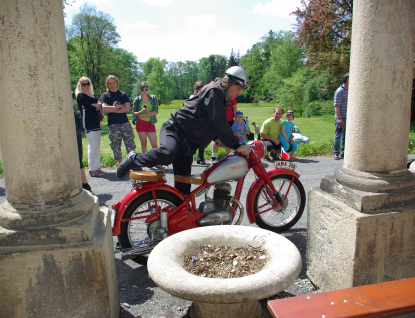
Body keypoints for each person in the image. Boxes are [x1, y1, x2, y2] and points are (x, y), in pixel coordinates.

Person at [116, 66, 251, 195]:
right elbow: (218, 122)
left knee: (183, 189)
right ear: (229, 82)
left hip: (188, 144)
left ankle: (182, 217)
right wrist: (237, 145)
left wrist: (217, 138)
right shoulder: (215, 91)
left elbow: (207, 121)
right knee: (168, 154)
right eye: (238, 88)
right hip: (175, 129)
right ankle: (133, 158)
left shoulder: (220, 95)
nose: (239, 93)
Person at [101, 75, 136, 163]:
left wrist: (112, 109)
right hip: (113, 124)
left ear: (117, 83)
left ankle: (132, 163)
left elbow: (128, 108)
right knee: (116, 145)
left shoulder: (123, 94)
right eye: (110, 83)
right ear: (107, 84)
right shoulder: (105, 95)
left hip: (124, 123)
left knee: (130, 144)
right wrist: (119, 107)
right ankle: (121, 165)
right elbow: (105, 109)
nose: (112, 85)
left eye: (113, 83)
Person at [75, 76, 103, 177]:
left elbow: (100, 104)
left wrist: (96, 105)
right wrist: (96, 106)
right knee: (92, 145)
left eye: (87, 84)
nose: (86, 86)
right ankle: (92, 169)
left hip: (96, 122)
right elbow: (89, 108)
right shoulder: (80, 95)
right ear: (80, 85)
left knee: (97, 145)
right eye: (83, 84)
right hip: (88, 123)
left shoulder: (92, 95)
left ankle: (97, 167)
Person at [132, 82, 159, 153]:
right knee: (144, 143)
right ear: (139, 90)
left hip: (150, 123)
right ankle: (145, 161)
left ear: (148, 89)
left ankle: (157, 160)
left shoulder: (153, 98)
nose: (144, 91)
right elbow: (134, 113)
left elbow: (155, 111)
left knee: (154, 144)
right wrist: (142, 111)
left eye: (146, 89)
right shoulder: (137, 100)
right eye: (142, 89)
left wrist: (144, 114)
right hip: (140, 123)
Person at [74, 109, 92, 192]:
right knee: (78, 160)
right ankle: (85, 184)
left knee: (77, 160)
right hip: (75, 131)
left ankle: (85, 184)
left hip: (73, 132)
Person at [189, 81, 206, 165]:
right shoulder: (191, 97)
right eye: (196, 89)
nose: (198, 91)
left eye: (200, 89)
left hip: (201, 121)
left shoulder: (204, 98)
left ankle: (201, 158)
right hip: (192, 122)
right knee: (191, 141)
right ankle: (190, 158)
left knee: (201, 141)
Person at [333, 73, 349, 160]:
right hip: (341, 117)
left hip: (348, 117)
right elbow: (337, 106)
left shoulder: (349, 91)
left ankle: (343, 153)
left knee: (345, 135)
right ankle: (336, 153)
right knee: (338, 135)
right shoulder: (339, 91)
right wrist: (339, 118)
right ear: (347, 80)